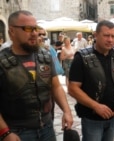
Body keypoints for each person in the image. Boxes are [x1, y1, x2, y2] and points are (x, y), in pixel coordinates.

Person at [0, 10, 73, 141]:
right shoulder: (2, 61)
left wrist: (67, 111)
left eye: (35, 28)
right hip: (16, 132)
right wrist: (5, 132)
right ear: (11, 31)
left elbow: (56, 87)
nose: (34, 33)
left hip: (47, 128)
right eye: (27, 29)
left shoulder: (44, 56)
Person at [68, 20, 114, 141]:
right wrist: (95, 106)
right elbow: (72, 88)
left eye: (113, 36)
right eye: (106, 35)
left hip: (112, 116)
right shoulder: (82, 57)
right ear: (96, 35)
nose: (110, 40)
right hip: (92, 118)